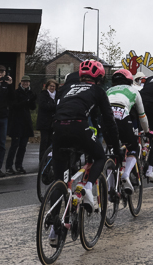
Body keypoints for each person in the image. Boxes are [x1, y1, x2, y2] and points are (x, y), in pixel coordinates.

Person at [50, 60, 120, 217]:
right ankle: (88, 187)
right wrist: (115, 147)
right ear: (99, 78)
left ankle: (54, 227)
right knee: (99, 157)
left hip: (58, 127)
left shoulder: (66, 88)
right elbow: (109, 121)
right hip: (79, 127)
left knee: (59, 180)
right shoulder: (98, 90)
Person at [106, 69, 149, 194]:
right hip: (121, 115)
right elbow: (142, 116)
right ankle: (125, 174)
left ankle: (110, 189)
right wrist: (146, 131)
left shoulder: (108, 90)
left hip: (106, 118)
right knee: (133, 147)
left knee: (112, 151)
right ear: (130, 80)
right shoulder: (134, 91)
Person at [6, 75, 36, 175]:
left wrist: (31, 101)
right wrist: (26, 101)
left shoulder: (30, 93)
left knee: (23, 146)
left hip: (26, 122)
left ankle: (19, 165)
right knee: (14, 145)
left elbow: (32, 107)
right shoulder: (16, 92)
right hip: (16, 122)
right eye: (24, 82)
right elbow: (14, 106)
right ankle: (9, 166)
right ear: (21, 82)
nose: (25, 83)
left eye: (27, 82)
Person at [37, 79, 58, 160]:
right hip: (44, 123)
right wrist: (55, 106)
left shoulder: (57, 95)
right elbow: (44, 106)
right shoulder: (43, 95)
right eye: (50, 86)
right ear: (47, 86)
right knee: (44, 142)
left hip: (53, 123)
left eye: (53, 86)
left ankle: (50, 158)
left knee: (51, 142)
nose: (52, 88)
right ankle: (42, 159)